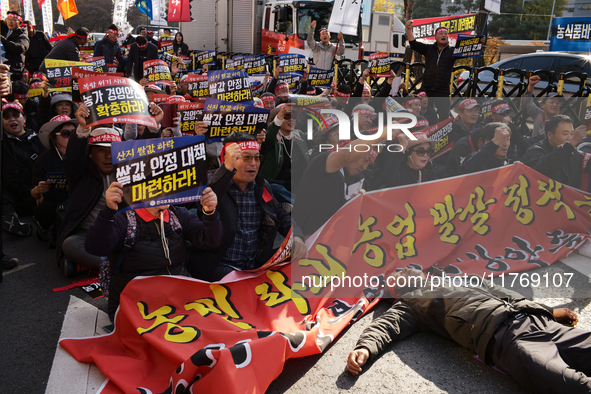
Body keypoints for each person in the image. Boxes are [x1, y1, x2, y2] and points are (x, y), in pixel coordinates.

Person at [346, 267, 591, 394]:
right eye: (397, 275)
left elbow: (508, 294)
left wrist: (549, 312)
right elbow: (386, 327)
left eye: (405, 267)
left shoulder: (461, 278)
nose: (405, 271)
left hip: (537, 322)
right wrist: (365, 347)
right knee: (573, 386)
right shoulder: (411, 305)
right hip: (508, 341)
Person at [85, 182, 223, 322]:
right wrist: (108, 212)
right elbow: (95, 248)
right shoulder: (124, 220)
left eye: (168, 184)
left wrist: (210, 212)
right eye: (158, 185)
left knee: (216, 323)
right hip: (137, 306)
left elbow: (211, 241)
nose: (165, 190)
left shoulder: (178, 215)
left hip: (179, 298)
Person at [56, 102, 164, 276]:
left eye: (113, 150)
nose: (108, 156)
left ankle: (103, 265)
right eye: (101, 150)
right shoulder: (80, 174)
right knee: (69, 244)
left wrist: (153, 127)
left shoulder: (129, 169)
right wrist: (82, 129)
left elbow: (147, 155)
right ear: (90, 153)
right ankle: (126, 264)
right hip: (88, 234)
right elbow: (73, 159)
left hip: (124, 232)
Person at [186, 133, 307, 282]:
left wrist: (297, 237)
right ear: (230, 159)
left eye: (257, 158)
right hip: (219, 267)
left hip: (256, 265)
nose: (254, 164)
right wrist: (227, 169)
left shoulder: (262, 186)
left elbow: (282, 216)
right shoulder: (211, 182)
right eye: (246, 157)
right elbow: (205, 199)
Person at [293, 125, 391, 237]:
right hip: (301, 238)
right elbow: (346, 156)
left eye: (369, 164)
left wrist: (354, 204)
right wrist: (381, 135)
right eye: (365, 159)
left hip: (328, 243)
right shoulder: (324, 160)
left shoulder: (359, 179)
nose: (365, 167)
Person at [2, 101, 46, 237]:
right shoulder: (3, 141)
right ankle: (10, 220)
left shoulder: (39, 139)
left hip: (34, 193)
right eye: (6, 117)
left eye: (16, 115)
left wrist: (40, 189)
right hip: (11, 194)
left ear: (24, 118)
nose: (12, 119)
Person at [32, 115, 76, 246]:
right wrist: (39, 190)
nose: (71, 136)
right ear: (53, 137)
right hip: (54, 204)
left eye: (74, 133)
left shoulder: (86, 154)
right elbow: (34, 193)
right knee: (42, 210)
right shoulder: (43, 159)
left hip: (79, 201)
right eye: (65, 133)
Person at [405, 21, 457, 120]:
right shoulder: (429, 49)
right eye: (441, 34)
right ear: (436, 37)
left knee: (444, 117)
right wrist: (408, 29)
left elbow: (468, 49)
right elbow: (414, 44)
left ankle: (443, 134)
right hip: (426, 89)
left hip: (442, 91)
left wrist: (480, 42)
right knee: (423, 113)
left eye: (446, 34)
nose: (443, 35)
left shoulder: (453, 51)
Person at [524, 114, 591, 190]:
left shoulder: (573, 152)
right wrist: (571, 144)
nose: (569, 138)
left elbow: (587, 162)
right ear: (550, 135)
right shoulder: (535, 150)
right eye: (565, 134)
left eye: (572, 134)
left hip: (567, 200)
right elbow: (546, 166)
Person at [259, 103, 310, 202]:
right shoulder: (270, 137)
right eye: (287, 116)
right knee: (275, 189)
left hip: (296, 182)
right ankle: (298, 204)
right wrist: (281, 114)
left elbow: (318, 136)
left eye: (294, 116)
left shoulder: (299, 135)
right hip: (275, 182)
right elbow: (269, 136)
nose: (291, 120)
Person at [368, 131, 437, 189]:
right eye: (421, 151)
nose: (425, 155)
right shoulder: (398, 174)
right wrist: (402, 146)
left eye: (429, 151)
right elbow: (388, 176)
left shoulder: (429, 175)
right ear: (409, 153)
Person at [524, 75, 562, 141]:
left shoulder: (561, 121)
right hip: (533, 147)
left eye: (557, 103)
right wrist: (531, 85)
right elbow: (527, 103)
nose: (555, 105)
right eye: (552, 102)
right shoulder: (538, 114)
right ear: (542, 105)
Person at [1, 11, 30, 81]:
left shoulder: (22, 34)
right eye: (9, 19)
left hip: (14, 71)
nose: (11, 22)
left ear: (19, 23)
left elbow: (19, 48)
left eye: (14, 20)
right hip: (2, 69)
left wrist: (2, 40)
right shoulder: (3, 29)